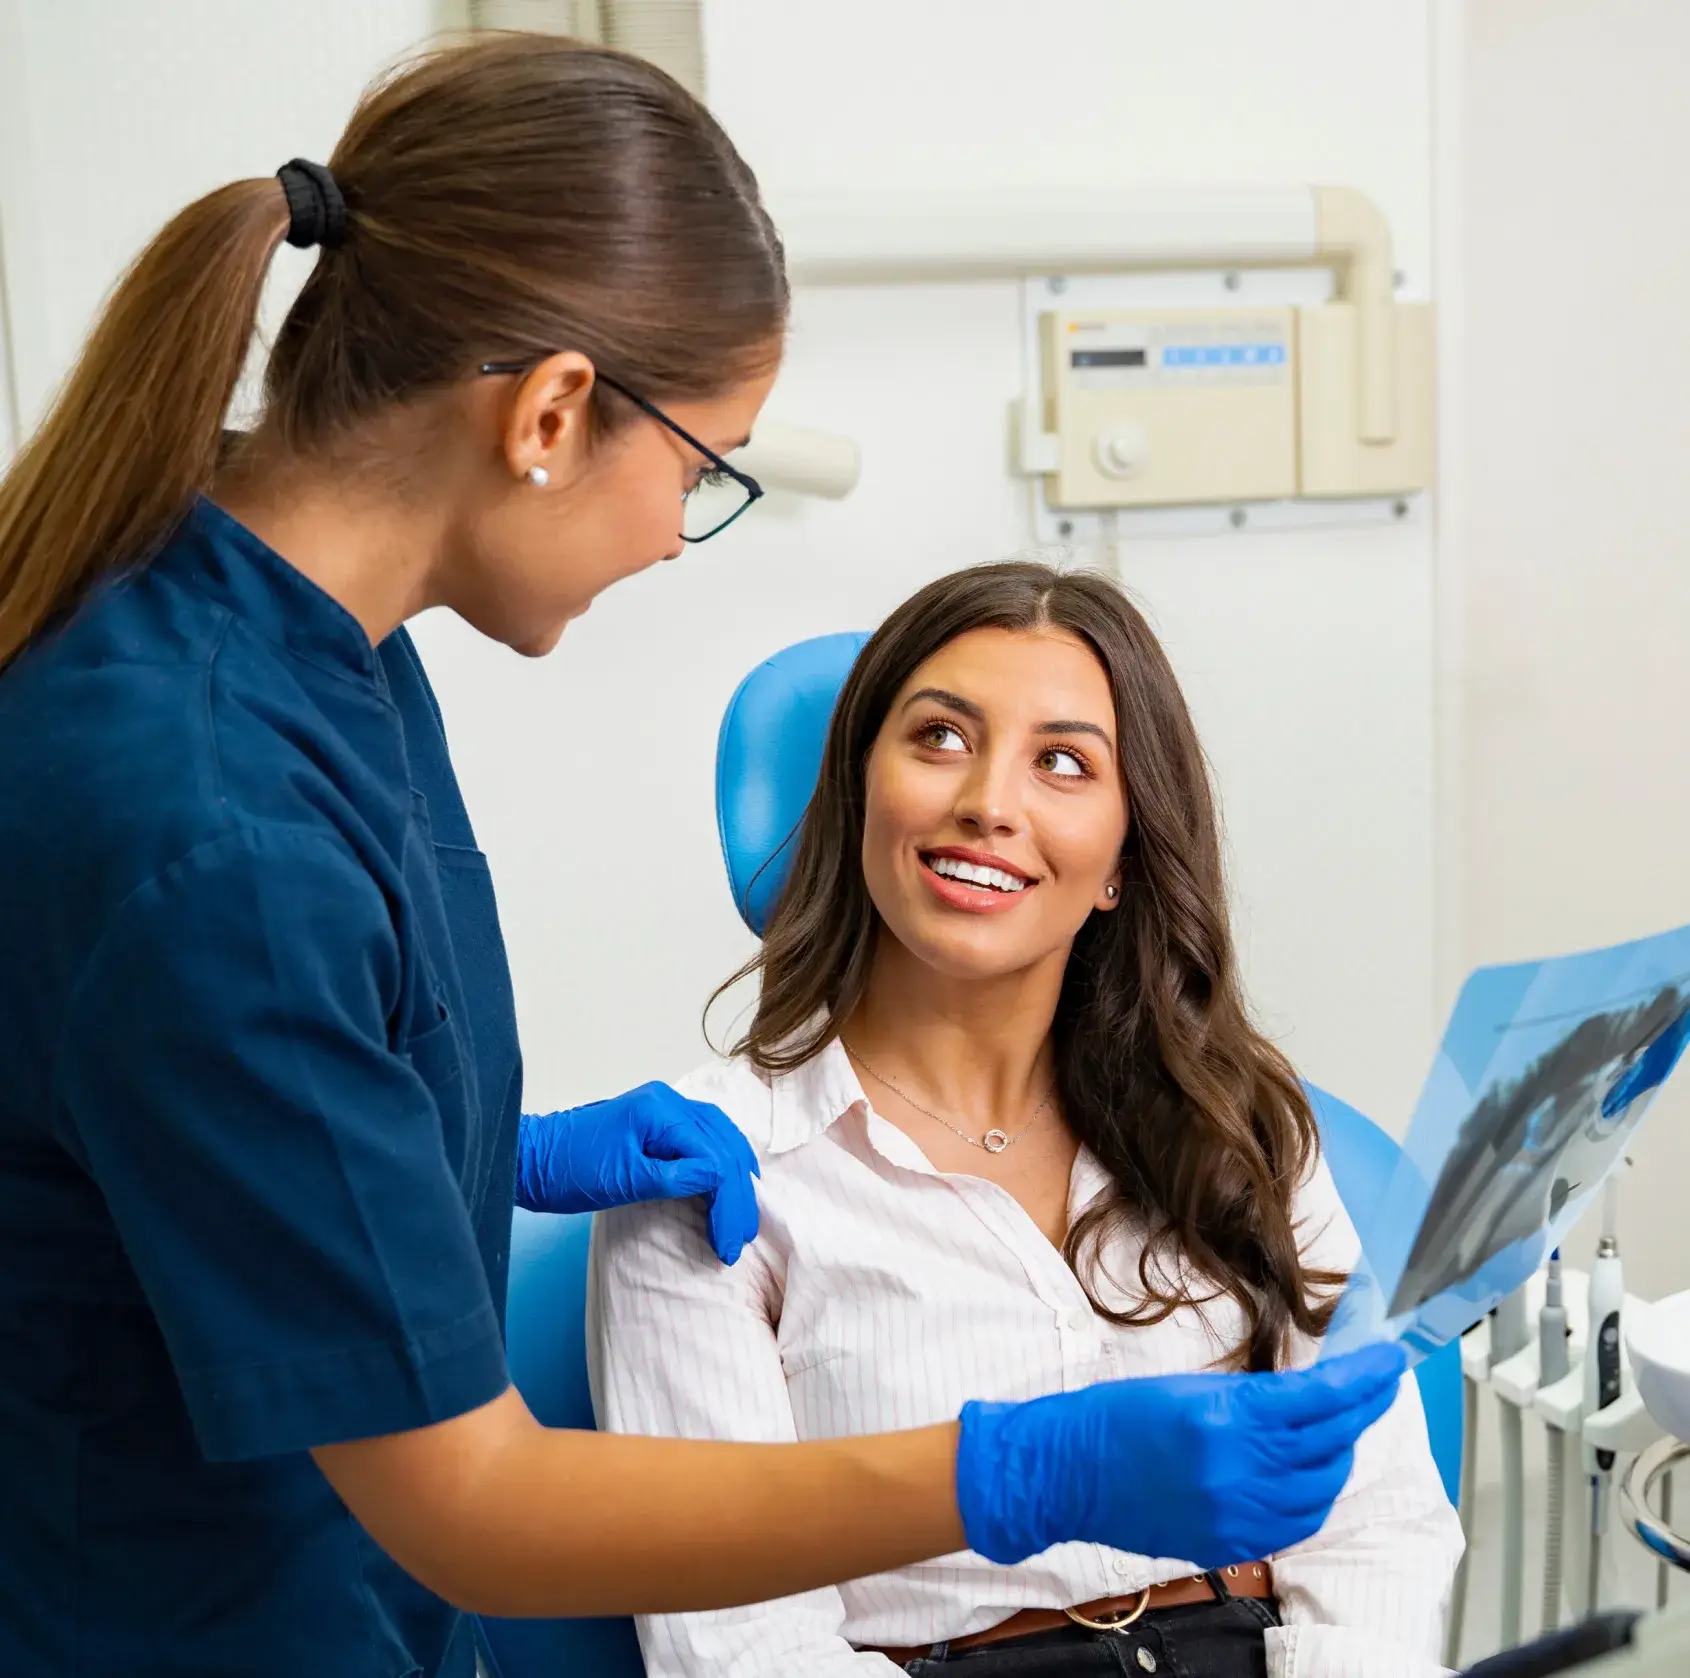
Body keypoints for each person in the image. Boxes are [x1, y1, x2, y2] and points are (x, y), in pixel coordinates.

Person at [0, 35, 1407, 1678]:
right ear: (550, 414)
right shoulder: (213, 815)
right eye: (700, 467)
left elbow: (228, 1085)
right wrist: (1034, 1462)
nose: (680, 529)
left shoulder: (335, 658)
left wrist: (493, 1146)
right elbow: (481, 1509)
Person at [590, 563, 1464, 1678]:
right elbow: (740, 1646)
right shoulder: (700, 1169)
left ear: (1120, 856)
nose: (989, 802)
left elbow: (1376, 1517)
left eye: (1062, 762)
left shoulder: (1235, 1119)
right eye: (941, 737)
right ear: (858, 794)